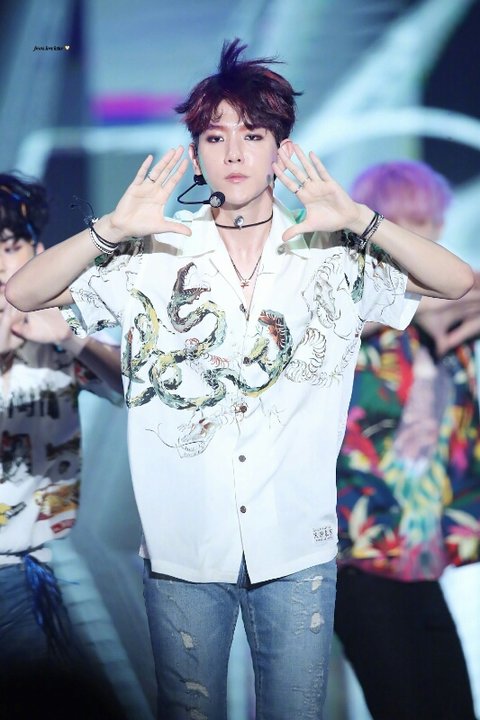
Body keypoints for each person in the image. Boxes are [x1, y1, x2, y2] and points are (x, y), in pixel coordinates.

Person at [6, 40, 474, 720]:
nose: (234, 152)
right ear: (195, 153)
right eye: (215, 136)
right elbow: (24, 294)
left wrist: (360, 220)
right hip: (182, 547)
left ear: (281, 150)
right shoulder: (152, 251)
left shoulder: (330, 254)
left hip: (296, 548)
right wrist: (111, 228)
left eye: (253, 135)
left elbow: (457, 282)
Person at [334, 160, 480, 720]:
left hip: (419, 551)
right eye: (410, 221)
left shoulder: (453, 315)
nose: (427, 233)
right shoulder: (350, 305)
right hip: (358, 549)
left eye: (431, 220)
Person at [0, 173, 123, 679]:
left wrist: (73, 339)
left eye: (9, 247)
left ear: (37, 252)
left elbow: (138, 389)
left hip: (24, 572)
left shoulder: (56, 336)